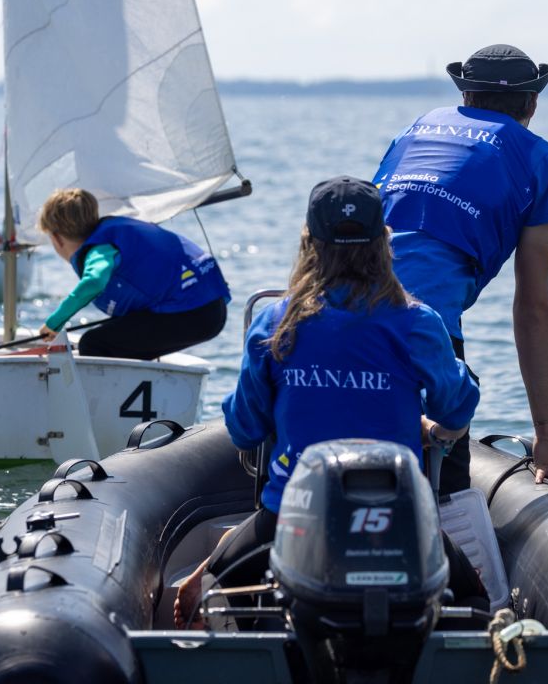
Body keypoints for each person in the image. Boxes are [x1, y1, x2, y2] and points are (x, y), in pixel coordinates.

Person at [173, 176, 484, 629]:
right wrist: (432, 429)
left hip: (286, 516)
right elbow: (456, 408)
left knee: (196, 597)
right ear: (383, 243)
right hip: (400, 520)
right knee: (479, 598)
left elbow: (244, 427)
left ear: (309, 244)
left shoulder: (275, 324)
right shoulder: (417, 322)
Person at [372, 44, 548, 488]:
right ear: (533, 102)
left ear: (465, 98)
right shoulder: (544, 160)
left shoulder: (416, 129)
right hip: (422, 330)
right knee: (442, 500)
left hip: (326, 307)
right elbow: (534, 307)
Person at [36, 188, 229, 359]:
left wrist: (54, 323)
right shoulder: (117, 231)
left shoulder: (100, 249)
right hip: (212, 309)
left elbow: (94, 282)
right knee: (117, 337)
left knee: (94, 343)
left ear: (56, 238)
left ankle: (103, 400)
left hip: (192, 314)